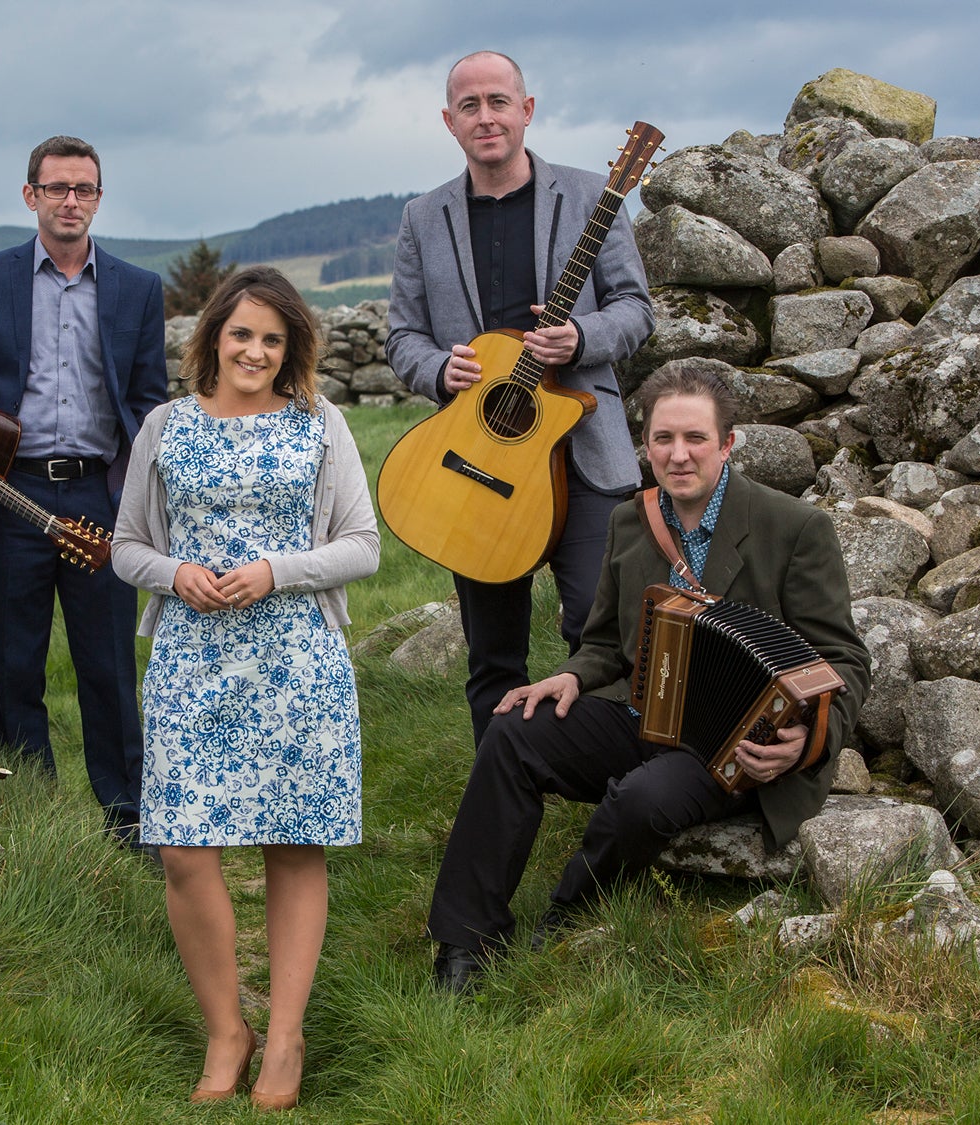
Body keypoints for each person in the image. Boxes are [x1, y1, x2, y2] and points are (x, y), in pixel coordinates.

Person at [424, 366, 871, 993]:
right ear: (646, 443)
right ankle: (464, 943)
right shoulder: (631, 520)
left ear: (728, 443)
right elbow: (605, 640)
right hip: (641, 713)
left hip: (732, 745)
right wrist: (571, 677)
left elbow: (843, 659)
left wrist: (807, 741)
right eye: (663, 439)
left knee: (643, 798)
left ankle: (568, 911)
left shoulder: (794, 528)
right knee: (512, 731)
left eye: (694, 438)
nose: (677, 455)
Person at [114, 267, 380, 1110]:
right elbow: (125, 545)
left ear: (291, 347)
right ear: (213, 338)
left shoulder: (319, 424)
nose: (255, 351)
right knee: (185, 849)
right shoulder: (166, 425)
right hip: (192, 661)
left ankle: (287, 1037)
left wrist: (277, 569)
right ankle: (228, 1028)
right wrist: (173, 571)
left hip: (296, 659)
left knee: (292, 841)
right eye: (242, 335)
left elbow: (363, 544)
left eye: (273, 338)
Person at [0, 135, 167, 844]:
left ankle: (126, 821)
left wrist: (145, 497)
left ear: (99, 199)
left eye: (84, 189)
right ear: (31, 196)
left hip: (99, 499)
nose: (70, 200)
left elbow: (148, 400)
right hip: (8, 497)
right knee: (16, 665)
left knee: (108, 668)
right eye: (57, 188)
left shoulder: (138, 288)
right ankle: (32, 819)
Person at [386, 50, 654, 748]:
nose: (486, 117)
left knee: (600, 635)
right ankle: (499, 799)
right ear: (449, 121)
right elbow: (401, 338)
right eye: (469, 106)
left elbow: (636, 309)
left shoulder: (593, 196)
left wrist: (581, 337)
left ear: (526, 110)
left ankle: (615, 791)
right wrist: (441, 369)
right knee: (493, 657)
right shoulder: (423, 217)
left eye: (498, 101)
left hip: (586, 456)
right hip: (479, 456)